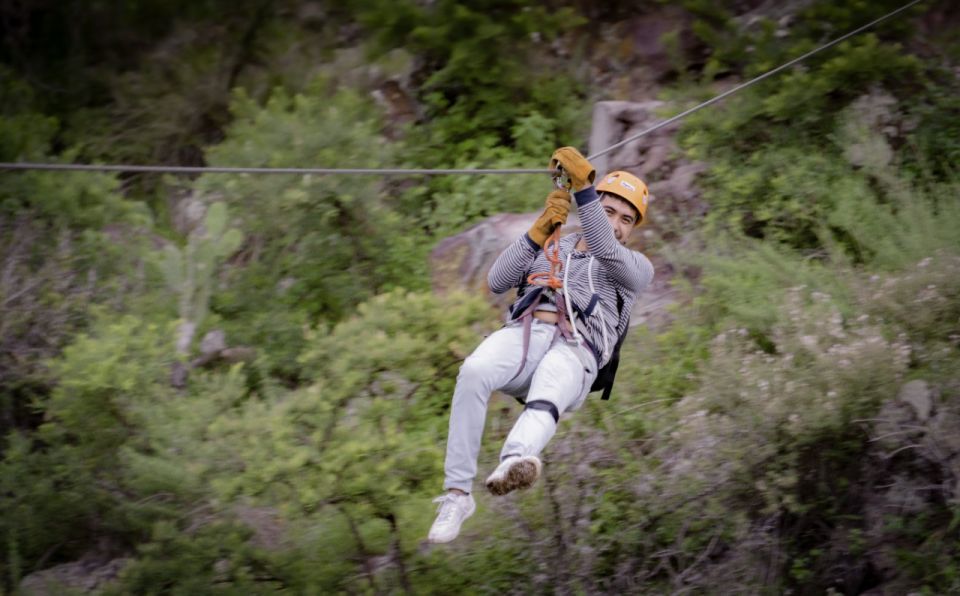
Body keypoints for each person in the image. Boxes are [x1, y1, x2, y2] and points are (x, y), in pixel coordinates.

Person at [427, 147, 655, 544]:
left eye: (626, 218)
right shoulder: (556, 246)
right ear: (594, 207)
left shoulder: (633, 266)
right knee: (474, 371)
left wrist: (585, 191)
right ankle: (457, 495)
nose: (616, 224)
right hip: (526, 336)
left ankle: (515, 459)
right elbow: (497, 280)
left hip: (577, 352)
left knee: (551, 381)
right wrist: (539, 230)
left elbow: (603, 246)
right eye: (609, 210)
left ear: (633, 228)